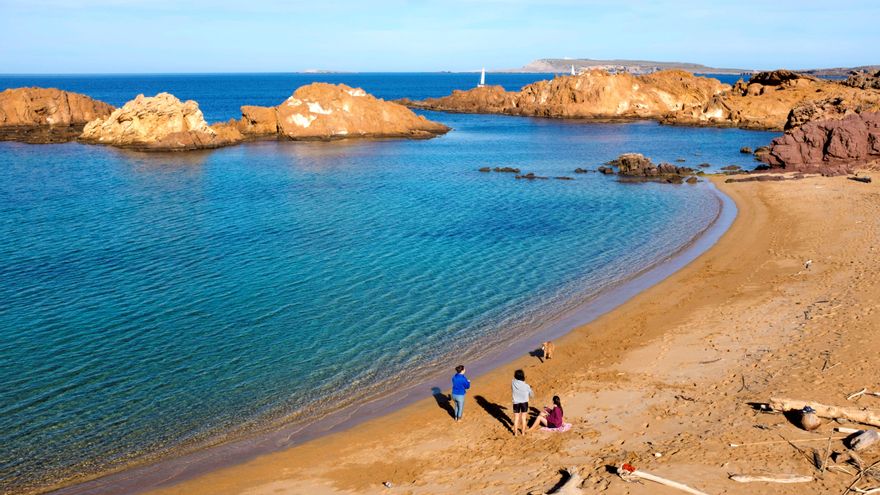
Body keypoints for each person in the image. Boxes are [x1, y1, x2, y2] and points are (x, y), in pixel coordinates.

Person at [511, 369, 533, 436]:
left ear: (515, 376)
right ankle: (523, 433)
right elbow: (532, 395)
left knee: (516, 418)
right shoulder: (526, 386)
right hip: (524, 403)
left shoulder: (512, 382)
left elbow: (514, 380)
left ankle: (515, 434)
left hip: (516, 403)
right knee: (523, 418)